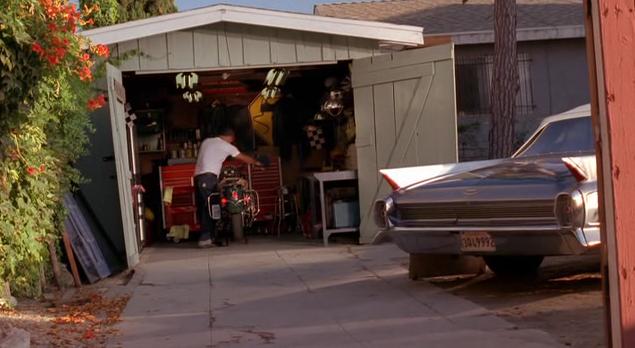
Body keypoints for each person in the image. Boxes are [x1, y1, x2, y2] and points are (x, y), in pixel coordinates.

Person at [194, 127, 262, 247]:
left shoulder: (207, 141)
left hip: (199, 178)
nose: (232, 142)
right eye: (232, 140)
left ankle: (209, 237)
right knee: (210, 208)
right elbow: (242, 157)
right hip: (208, 178)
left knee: (205, 207)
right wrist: (256, 163)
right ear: (231, 137)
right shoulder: (226, 145)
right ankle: (206, 239)